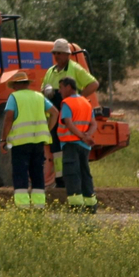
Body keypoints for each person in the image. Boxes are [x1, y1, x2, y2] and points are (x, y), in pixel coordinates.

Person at [40, 37, 99, 188]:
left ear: (67, 54)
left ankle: (71, 179)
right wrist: (46, 92)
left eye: (60, 53)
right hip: (54, 115)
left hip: (69, 113)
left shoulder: (75, 68)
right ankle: (61, 180)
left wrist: (78, 99)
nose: (57, 56)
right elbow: (42, 90)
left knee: (70, 147)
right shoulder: (50, 72)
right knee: (56, 148)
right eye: (55, 53)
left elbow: (93, 84)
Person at [0, 71, 53, 209]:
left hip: (20, 142)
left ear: (16, 85)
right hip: (38, 142)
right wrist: (47, 129)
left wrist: (3, 139)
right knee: (37, 173)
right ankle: (39, 205)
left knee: (20, 172)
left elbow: (9, 118)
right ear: (26, 84)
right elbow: (55, 113)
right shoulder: (39, 96)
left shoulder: (14, 97)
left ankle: (22, 206)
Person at [57, 76, 98, 212]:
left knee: (71, 174)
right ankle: (91, 205)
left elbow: (68, 123)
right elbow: (94, 123)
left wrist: (82, 136)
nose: (59, 91)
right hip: (84, 146)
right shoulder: (86, 102)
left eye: (61, 87)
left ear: (69, 87)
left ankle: (76, 206)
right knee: (85, 173)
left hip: (70, 144)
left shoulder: (67, 103)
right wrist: (87, 136)